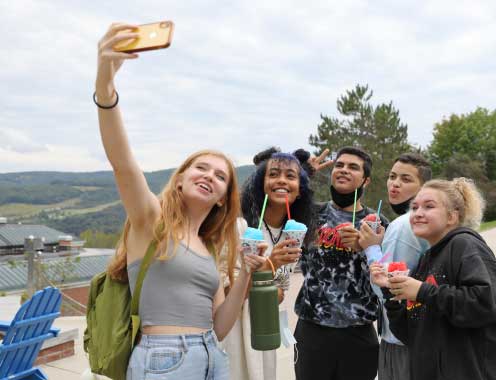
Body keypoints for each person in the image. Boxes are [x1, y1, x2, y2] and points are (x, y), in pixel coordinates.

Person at [95, 23, 266, 379]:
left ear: (222, 199)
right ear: (180, 180)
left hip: (211, 356)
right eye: (200, 168)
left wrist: (247, 272)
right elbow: (122, 163)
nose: (210, 176)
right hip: (164, 360)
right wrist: (105, 88)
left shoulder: (208, 248)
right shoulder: (151, 221)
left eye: (220, 176)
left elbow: (219, 326)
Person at [375, 178, 496, 380]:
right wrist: (391, 291)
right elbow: (410, 334)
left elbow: (487, 302)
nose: (418, 213)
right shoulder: (426, 260)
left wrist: (422, 291)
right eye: (414, 207)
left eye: (429, 206)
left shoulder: (466, 245)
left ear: (452, 217)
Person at [294, 146, 388, 380]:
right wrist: (303, 173)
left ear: (365, 181)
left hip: (358, 334)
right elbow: (267, 199)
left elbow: (389, 278)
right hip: (312, 330)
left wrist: (366, 247)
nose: (344, 170)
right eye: (340, 165)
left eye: (353, 167)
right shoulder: (310, 215)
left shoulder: (378, 224)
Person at [222, 147, 316, 380]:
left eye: (290, 176)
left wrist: (276, 273)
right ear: (261, 183)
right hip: (232, 331)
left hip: (264, 329)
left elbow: (279, 295)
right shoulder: (239, 228)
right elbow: (224, 292)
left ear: (300, 191)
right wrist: (270, 263)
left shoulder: (291, 236)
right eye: (273, 174)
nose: (281, 180)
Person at [358, 153, 431, 380]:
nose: (395, 184)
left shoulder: (402, 226)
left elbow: (385, 288)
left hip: (400, 341)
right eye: (392, 176)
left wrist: (371, 248)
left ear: (424, 188)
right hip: (422, 337)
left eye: (406, 179)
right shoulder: (424, 221)